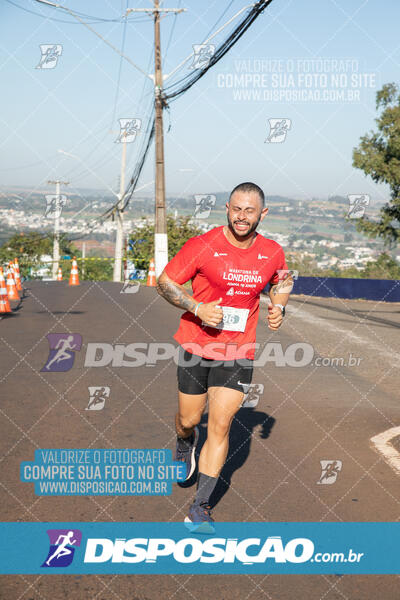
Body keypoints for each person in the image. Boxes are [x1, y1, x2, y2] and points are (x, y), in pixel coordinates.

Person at [156, 182, 293, 532]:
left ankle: (200, 506)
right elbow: (165, 282)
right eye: (236, 208)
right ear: (227, 209)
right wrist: (196, 306)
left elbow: (283, 281)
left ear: (263, 214)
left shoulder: (272, 252)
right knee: (190, 420)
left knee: (220, 424)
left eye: (250, 210)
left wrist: (277, 307)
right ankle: (185, 440)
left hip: (237, 350)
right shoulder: (203, 245)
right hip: (195, 346)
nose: (242, 216)